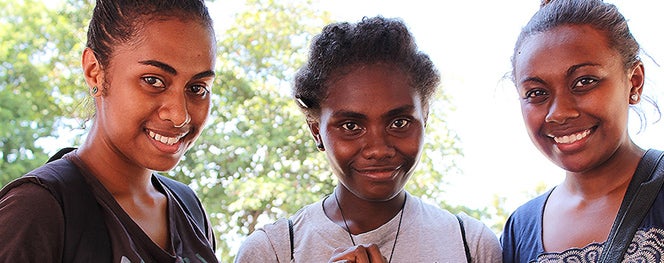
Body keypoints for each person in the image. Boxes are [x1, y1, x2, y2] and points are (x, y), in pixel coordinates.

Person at [235, 16, 502, 263]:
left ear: (425, 118)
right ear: (316, 130)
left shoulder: (470, 245)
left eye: (399, 123)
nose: (378, 149)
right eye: (351, 126)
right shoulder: (274, 251)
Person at [0, 0, 218, 262]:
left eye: (197, 88)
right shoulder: (38, 210)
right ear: (95, 72)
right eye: (153, 81)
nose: (179, 115)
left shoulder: (189, 209)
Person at [501, 0, 664, 262]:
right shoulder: (520, 229)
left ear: (634, 82)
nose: (560, 112)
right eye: (537, 93)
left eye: (584, 82)